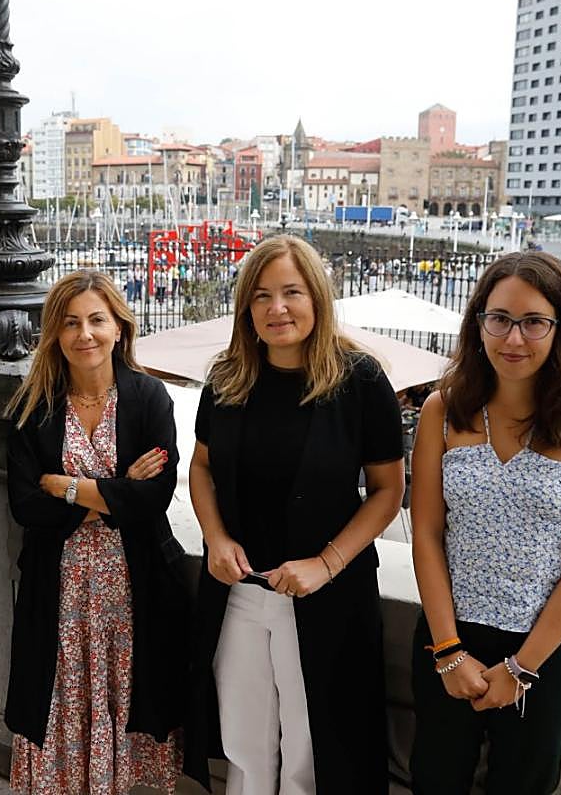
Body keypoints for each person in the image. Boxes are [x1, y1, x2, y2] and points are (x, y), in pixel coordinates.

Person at [185, 235, 406, 794]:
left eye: (291, 292)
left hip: (325, 596)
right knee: (243, 745)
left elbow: (388, 490)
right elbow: (202, 468)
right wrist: (213, 536)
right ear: (246, 308)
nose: (276, 308)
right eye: (261, 295)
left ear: (317, 298)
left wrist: (325, 564)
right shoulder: (228, 377)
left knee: (316, 753)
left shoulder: (361, 380)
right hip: (240, 591)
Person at [409, 251, 561, 795]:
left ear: (560, 330)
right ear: (479, 322)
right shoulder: (443, 410)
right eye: (499, 318)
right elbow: (427, 536)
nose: (513, 338)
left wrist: (521, 669)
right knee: (435, 782)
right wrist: (449, 652)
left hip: (544, 651)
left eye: (534, 322)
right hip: (448, 641)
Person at [4, 270, 188, 795]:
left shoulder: (150, 398)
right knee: (57, 698)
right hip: (57, 595)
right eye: (70, 323)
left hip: (133, 592)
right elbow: (23, 506)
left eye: (96, 320)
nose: (85, 334)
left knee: (129, 698)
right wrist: (115, 489)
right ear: (54, 334)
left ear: (119, 327)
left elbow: (153, 499)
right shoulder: (33, 407)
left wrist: (67, 488)